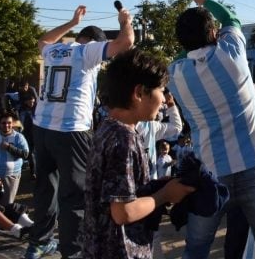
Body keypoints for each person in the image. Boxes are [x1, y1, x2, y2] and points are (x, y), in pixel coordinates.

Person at [168, 0, 255, 258]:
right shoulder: (232, 54)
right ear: (213, 34)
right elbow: (231, 18)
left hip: (211, 173)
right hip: (254, 167)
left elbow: (182, 54)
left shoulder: (176, 75)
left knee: (197, 247)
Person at [27, 3, 134, 259]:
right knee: (74, 197)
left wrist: (71, 23)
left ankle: (38, 243)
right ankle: (72, 253)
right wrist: (124, 21)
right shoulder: (87, 52)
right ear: (95, 43)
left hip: (41, 128)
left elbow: (42, 39)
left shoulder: (54, 50)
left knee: (44, 189)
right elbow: (125, 43)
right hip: (71, 130)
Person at [82, 49, 194, 259]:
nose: (163, 100)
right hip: (121, 250)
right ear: (139, 92)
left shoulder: (107, 128)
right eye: (161, 90)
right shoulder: (124, 138)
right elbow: (123, 212)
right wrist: (165, 195)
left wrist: (158, 185)